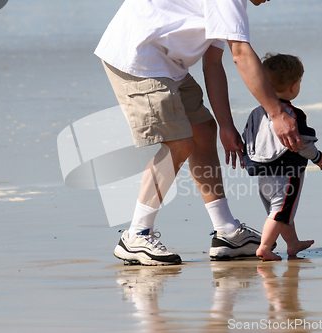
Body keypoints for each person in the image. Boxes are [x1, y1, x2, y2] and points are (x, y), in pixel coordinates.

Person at [95, 0, 303, 265]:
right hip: (137, 55)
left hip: (167, 62)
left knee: (203, 130)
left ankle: (226, 231)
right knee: (179, 142)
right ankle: (136, 234)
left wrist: (226, 126)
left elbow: (213, 64)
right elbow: (240, 53)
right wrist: (277, 113)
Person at [243, 53, 322, 261]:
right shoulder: (291, 113)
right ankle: (264, 247)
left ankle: (293, 243)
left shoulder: (256, 112)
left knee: (281, 211)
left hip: (263, 175)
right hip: (287, 174)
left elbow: (248, 138)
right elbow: (302, 143)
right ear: (293, 87)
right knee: (280, 213)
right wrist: (316, 157)